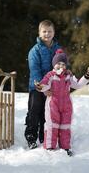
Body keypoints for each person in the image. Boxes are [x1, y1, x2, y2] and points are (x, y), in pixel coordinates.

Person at [35, 49, 89, 156]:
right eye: (58, 64)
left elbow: (77, 85)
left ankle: (65, 146)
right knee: (52, 125)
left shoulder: (68, 76)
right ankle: (49, 146)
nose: (61, 66)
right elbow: (45, 84)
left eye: (63, 64)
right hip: (53, 104)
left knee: (65, 126)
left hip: (66, 104)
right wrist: (40, 86)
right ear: (54, 64)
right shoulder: (50, 75)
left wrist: (86, 77)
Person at [24, 20, 60, 149]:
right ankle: (31, 135)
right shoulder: (35, 51)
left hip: (53, 87)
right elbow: (35, 71)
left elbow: (62, 65)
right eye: (44, 31)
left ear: (54, 32)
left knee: (49, 112)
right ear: (39, 33)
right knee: (35, 109)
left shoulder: (58, 49)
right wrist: (43, 88)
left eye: (49, 31)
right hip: (37, 86)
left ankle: (44, 135)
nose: (47, 34)